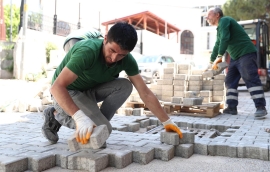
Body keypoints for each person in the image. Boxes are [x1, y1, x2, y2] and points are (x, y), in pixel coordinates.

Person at [42, 22, 183, 145]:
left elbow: (145, 93)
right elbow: (57, 87)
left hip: (88, 91)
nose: (115, 58)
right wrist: (80, 117)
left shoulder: (128, 60)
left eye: (121, 55)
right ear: (105, 40)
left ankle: (97, 124)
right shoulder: (87, 51)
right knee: (104, 130)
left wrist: (167, 121)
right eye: (112, 50)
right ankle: (55, 113)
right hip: (66, 92)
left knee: (125, 86)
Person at [206, 7, 267, 118]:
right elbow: (217, 45)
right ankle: (232, 107)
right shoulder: (219, 28)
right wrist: (211, 61)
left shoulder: (224, 21)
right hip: (235, 57)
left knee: (250, 78)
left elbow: (225, 39)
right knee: (230, 81)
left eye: (209, 15)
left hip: (246, 53)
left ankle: (261, 107)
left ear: (217, 15)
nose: (206, 17)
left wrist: (220, 56)